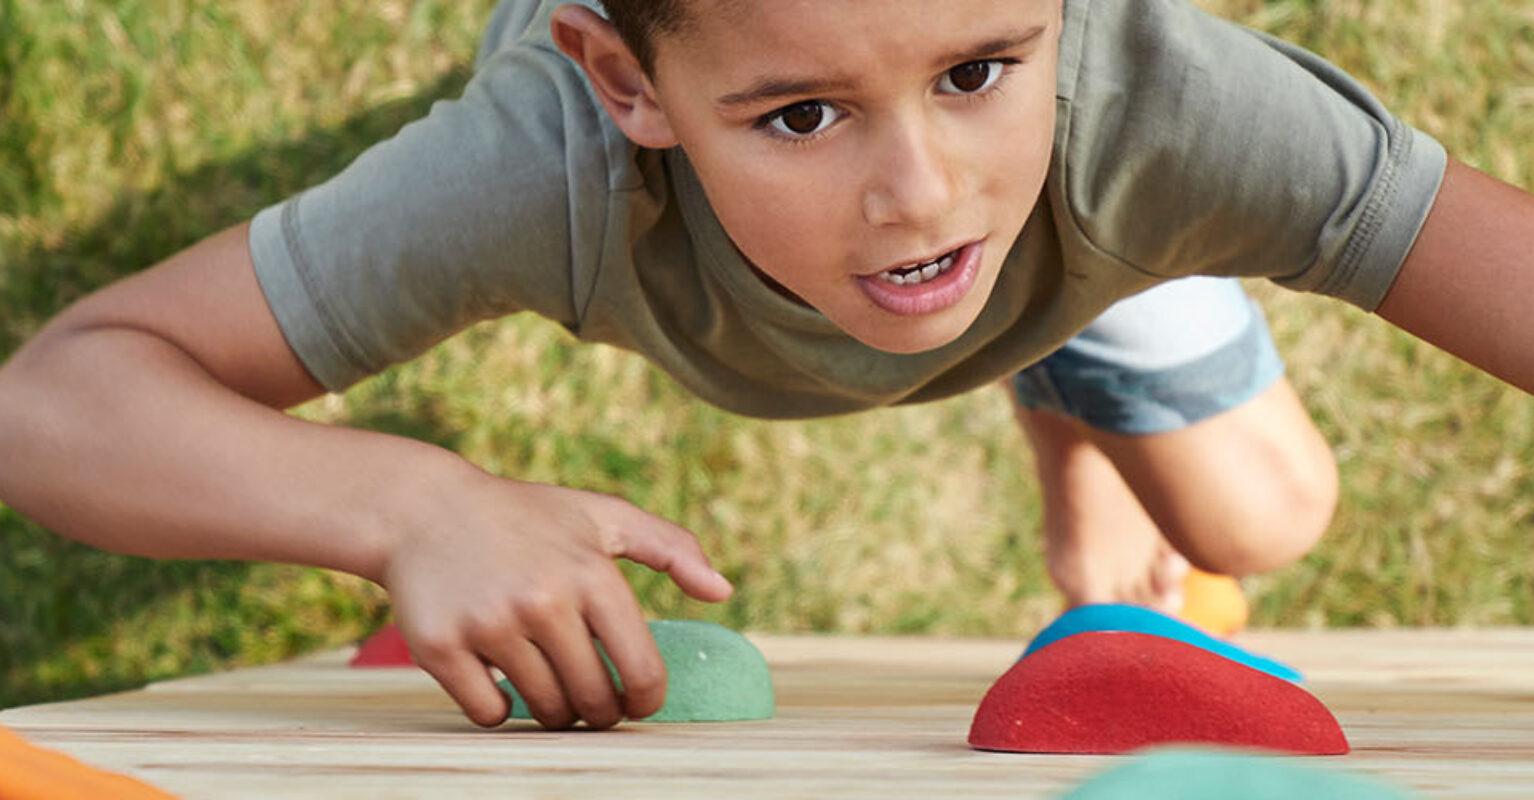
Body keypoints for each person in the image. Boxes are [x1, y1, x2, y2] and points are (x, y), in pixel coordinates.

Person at [1, 0, 1529, 734]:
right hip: (1038, 218)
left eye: (977, 69)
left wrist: (1031, 173)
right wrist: (401, 503)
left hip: (1088, 227)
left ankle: (1059, 343)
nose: (920, 192)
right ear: (624, 82)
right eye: (798, 114)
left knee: (1258, 526)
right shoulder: (537, 166)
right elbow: (61, 399)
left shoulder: (1177, 117)